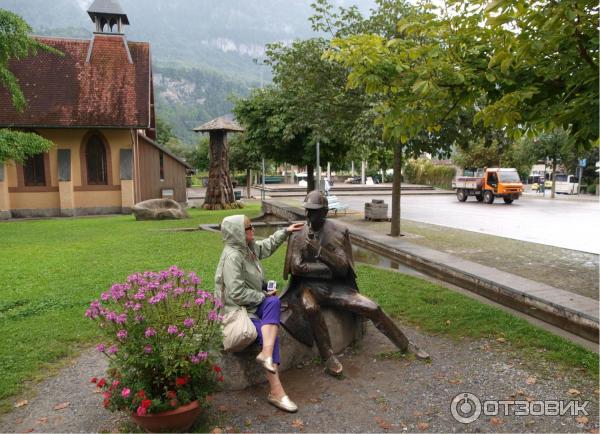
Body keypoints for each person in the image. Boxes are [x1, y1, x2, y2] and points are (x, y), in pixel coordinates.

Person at [281, 191, 429, 376]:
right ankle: (328, 357)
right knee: (310, 308)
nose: (309, 216)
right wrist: (327, 270)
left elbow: (342, 268)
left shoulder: (337, 232)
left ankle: (405, 344)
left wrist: (320, 252)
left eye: (314, 212)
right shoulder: (298, 234)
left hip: (336, 287)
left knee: (372, 307)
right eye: (308, 211)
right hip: (308, 287)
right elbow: (296, 268)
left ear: (325, 212)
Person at [215, 215, 304, 412]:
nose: (252, 230)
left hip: (252, 304)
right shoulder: (233, 256)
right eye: (248, 228)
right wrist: (261, 295)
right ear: (237, 232)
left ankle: (265, 355)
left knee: (274, 301)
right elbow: (236, 293)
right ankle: (277, 392)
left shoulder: (246, 248)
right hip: (240, 311)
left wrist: (286, 231)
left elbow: (266, 246)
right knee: (268, 334)